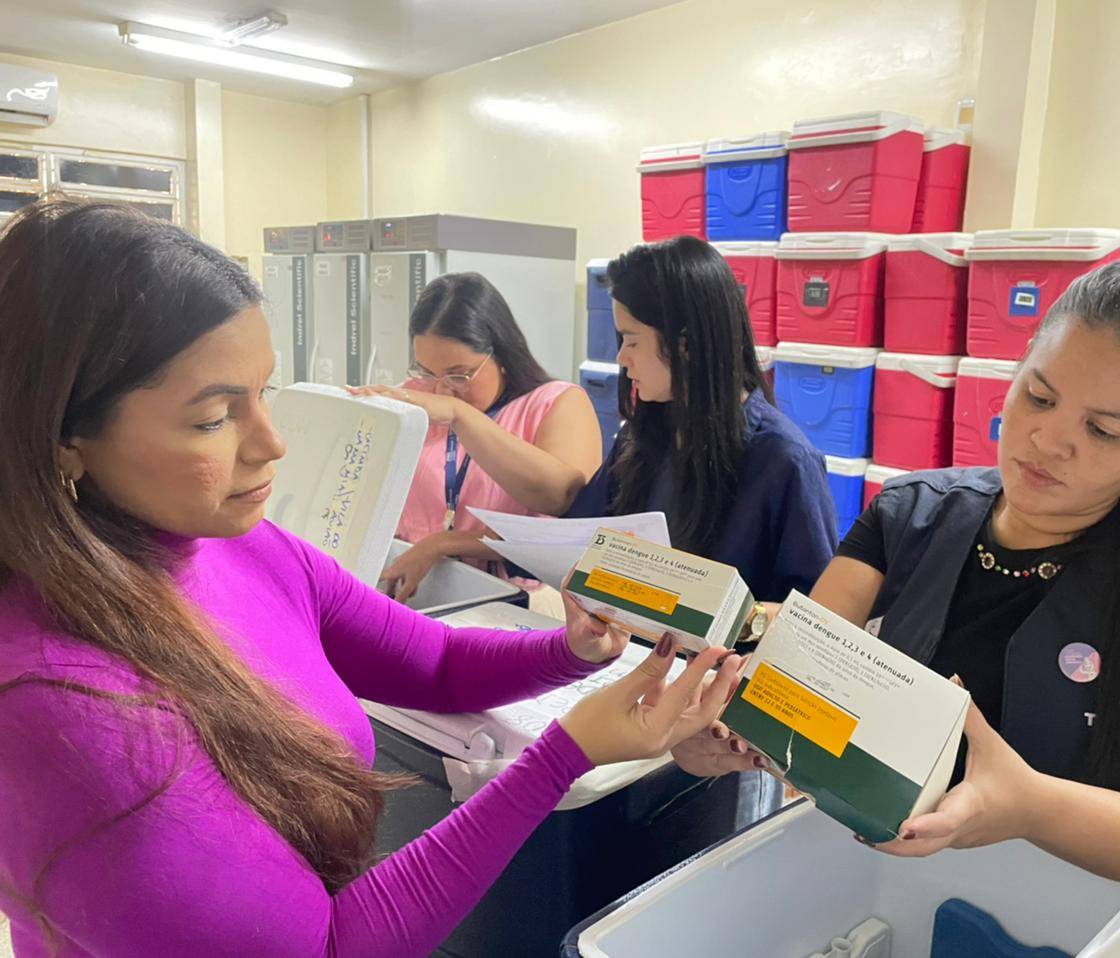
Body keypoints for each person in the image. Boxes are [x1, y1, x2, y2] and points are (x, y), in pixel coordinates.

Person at [0, 201, 744, 956]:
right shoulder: (61, 702)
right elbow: (328, 947)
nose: (272, 443)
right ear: (65, 437)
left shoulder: (240, 545)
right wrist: (563, 754)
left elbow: (435, 662)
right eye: (214, 418)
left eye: (264, 394)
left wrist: (570, 651)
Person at [674, 256, 1120, 884]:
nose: (1047, 440)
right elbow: (792, 685)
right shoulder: (910, 514)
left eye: (1103, 430)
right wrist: (717, 733)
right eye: (1039, 396)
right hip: (881, 889)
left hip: (1093, 914)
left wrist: (1035, 808)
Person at [566, 236, 838, 602]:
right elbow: (586, 536)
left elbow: (815, 612)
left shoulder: (784, 460)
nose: (621, 358)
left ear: (685, 344)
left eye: (631, 341)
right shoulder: (638, 438)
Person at [349, 272, 602, 601]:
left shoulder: (556, 403)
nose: (442, 389)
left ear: (501, 355)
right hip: (415, 589)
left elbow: (561, 505)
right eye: (427, 371)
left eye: (459, 375)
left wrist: (460, 415)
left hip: (515, 598)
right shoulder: (414, 396)